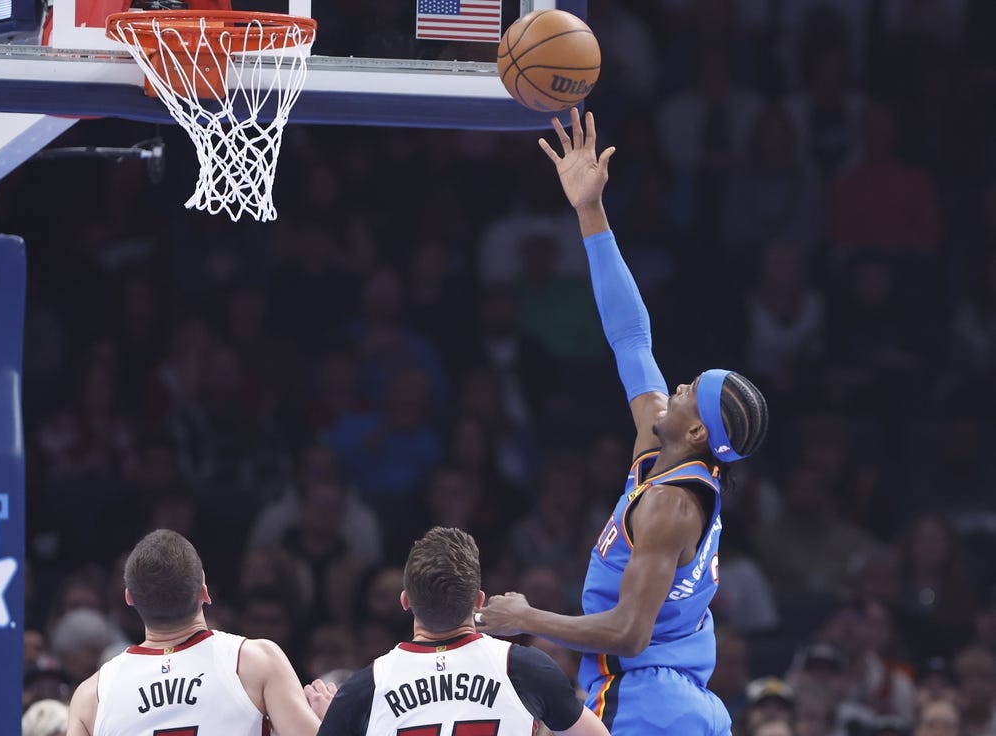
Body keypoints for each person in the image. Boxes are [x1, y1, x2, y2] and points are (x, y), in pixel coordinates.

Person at [475, 108, 770, 735]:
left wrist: (529, 618)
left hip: (646, 700)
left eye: (691, 391)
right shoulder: (660, 447)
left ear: (698, 433)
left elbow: (630, 634)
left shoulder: (672, 508)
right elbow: (631, 336)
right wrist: (590, 211)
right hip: (670, 696)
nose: (679, 386)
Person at [316, 526, 609, 736]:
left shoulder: (366, 687)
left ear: (405, 601)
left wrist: (323, 722)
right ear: (479, 601)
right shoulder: (524, 667)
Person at [65, 529, 335, 736]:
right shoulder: (255, 661)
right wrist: (331, 721)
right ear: (204, 593)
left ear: (129, 598)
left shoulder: (91, 695)